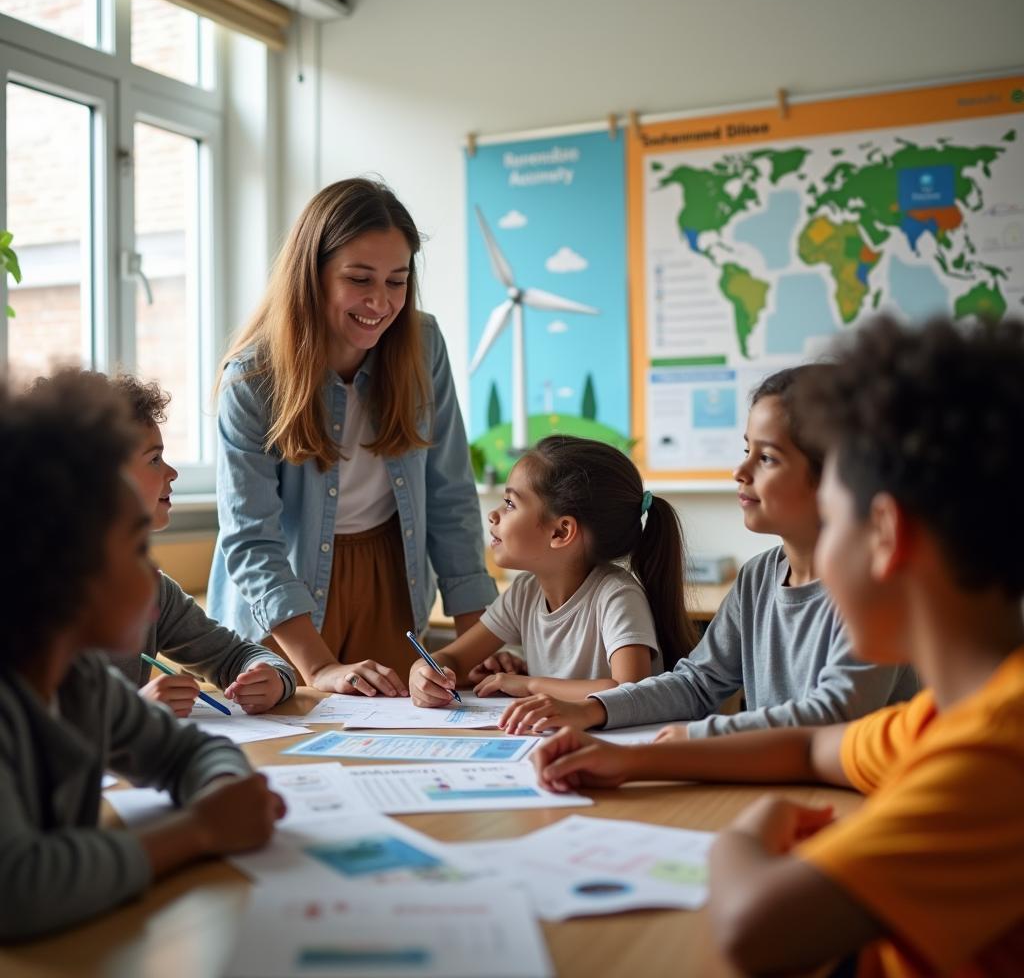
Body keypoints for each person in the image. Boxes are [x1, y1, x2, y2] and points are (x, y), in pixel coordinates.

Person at [531, 316, 1024, 976]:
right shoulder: (953, 717)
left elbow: (750, 930)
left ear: (885, 534)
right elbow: (814, 745)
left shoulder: (993, 758)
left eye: (840, 512)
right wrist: (631, 760)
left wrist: (745, 835)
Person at [0, 371, 284, 943]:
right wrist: (198, 831)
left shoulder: (79, 680)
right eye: (136, 549)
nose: (151, 576)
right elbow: (16, 892)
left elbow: (189, 752)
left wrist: (220, 793)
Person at [501, 366, 916, 736]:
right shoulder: (757, 578)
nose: (740, 471)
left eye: (767, 457)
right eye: (745, 450)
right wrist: (592, 711)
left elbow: (836, 713)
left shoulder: (880, 586)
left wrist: (696, 740)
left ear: (836, 478)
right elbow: (698, 683)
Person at [207, 178, 496, 697]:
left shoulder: (422, 344)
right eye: (360, 279)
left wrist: (480, 643)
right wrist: (317, 669)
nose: (380, 302)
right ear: (311, 276)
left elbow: (450, 495)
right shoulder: (252, 377)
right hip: (284, 598)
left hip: (389, 574)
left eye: (397, 281)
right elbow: (251, 539)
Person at [409, 435, 697, 707]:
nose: (493, 514)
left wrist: (531, 685)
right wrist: (424, 672)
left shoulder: (617, 595)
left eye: (510, 503)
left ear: (561, 531)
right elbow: (454, 659)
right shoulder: (525, 591)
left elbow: (631, 688)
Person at [103, 374, 296, 717]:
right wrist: (132, 712)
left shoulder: (151, 590)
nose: (172, 472)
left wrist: (272, 679)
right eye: (154, 460)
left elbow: (238, 655)